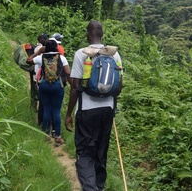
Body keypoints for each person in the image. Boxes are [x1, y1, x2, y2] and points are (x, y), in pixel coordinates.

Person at [65, 20, 123, 191]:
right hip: (107, 110)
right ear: (102, 34)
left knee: (85, 152)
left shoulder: (81, 54)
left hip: (87, 110)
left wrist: (68, 114)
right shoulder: (114, 54)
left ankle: (90, 188)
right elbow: (119, 86)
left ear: (87, 34)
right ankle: (99, 186)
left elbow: (75, 88)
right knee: (101, 150)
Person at [28, 39, 70, 146]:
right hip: (57, 86)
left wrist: (38, 52)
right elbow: (67, 73)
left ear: (45, 48)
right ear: (56, 47)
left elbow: (28, 61)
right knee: (56, 111)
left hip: (44, 85)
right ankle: (58, 137)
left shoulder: (41, 57)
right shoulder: (61, 58)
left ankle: (46, 134)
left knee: (46, 109)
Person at [30, 33, 48, 112]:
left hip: (38, 73)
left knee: (37, 91)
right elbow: (30, 60)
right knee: (39, 93)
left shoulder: (38, 47)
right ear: (41, 40)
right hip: (39, 74)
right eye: (45, 38)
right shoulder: (40, 48)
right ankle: (38, 109)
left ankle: (36, 108)